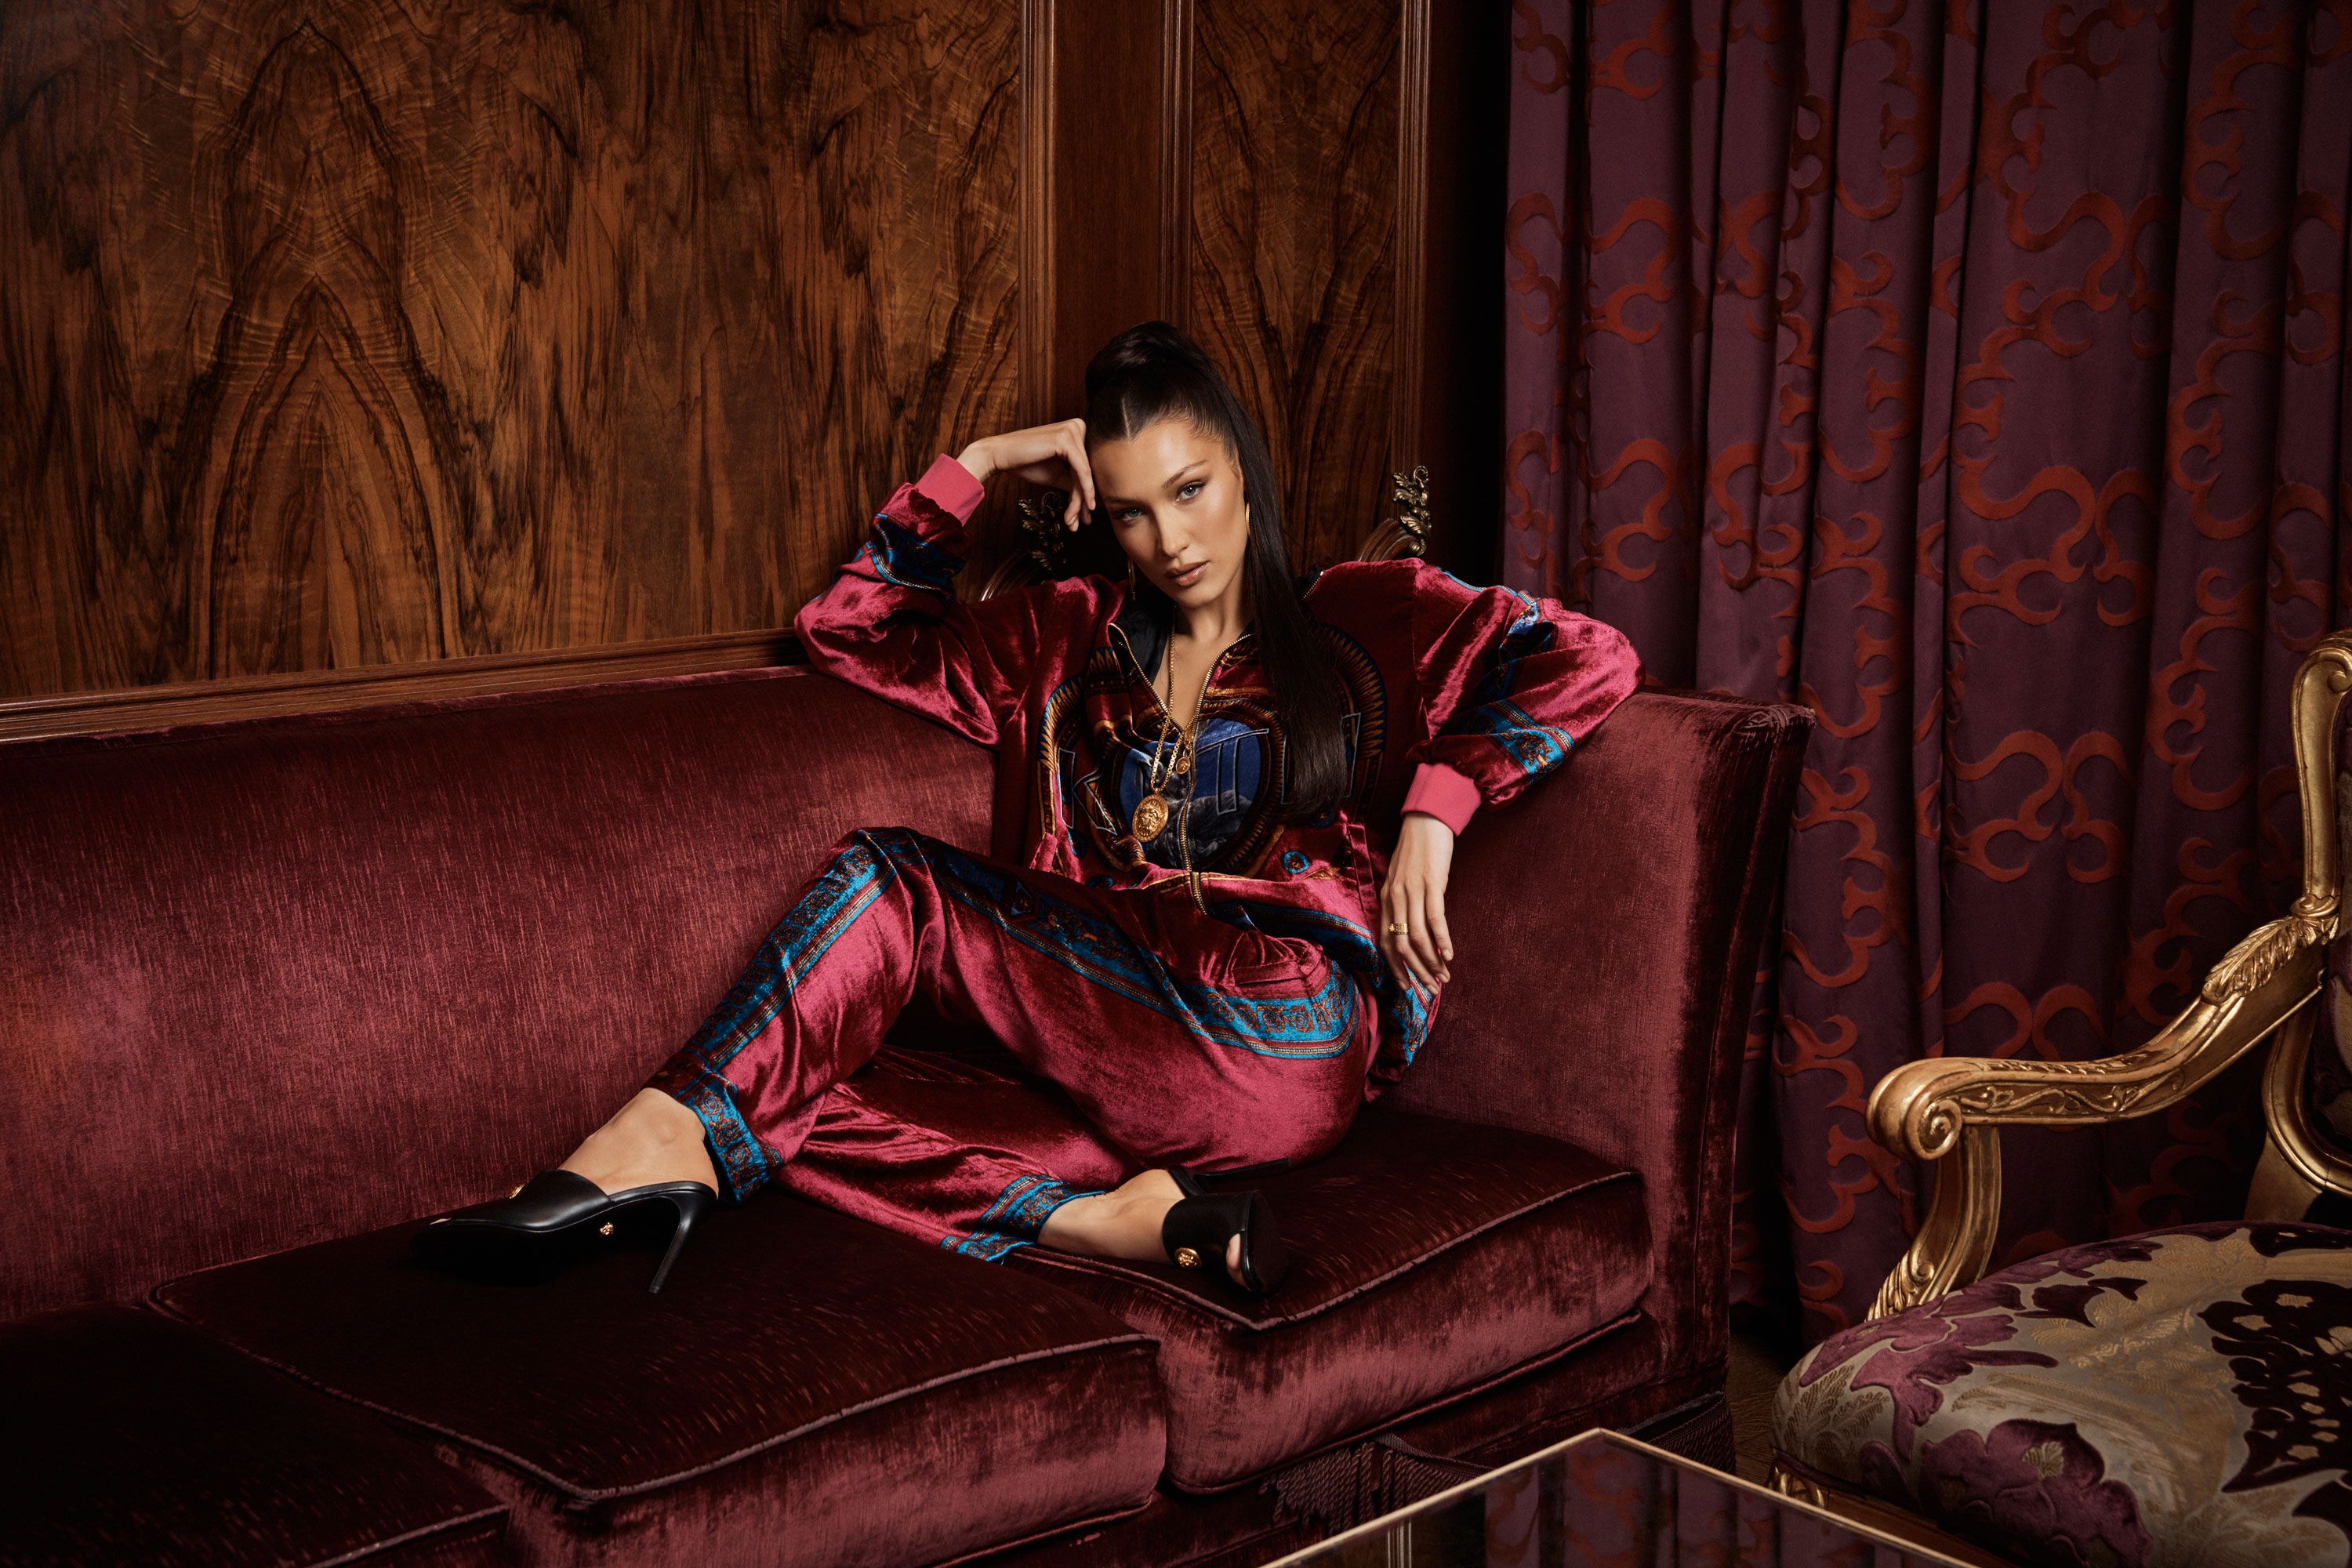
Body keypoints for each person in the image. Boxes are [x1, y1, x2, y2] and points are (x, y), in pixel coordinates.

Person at [414, 322, 1641, 1297]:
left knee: (891, 886)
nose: (1170, 540)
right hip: (1102, 1068)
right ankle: (1101, 1221)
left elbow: (1588, 656)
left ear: (1243, 469)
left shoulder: (1364, 614)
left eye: (1192, 490)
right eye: (1132, 513)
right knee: (799, 1088)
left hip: (1282, 1032)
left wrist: (1435, 811)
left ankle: (643, 1145)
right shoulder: (1063, 635)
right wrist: (983, 464)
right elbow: (850, 631)